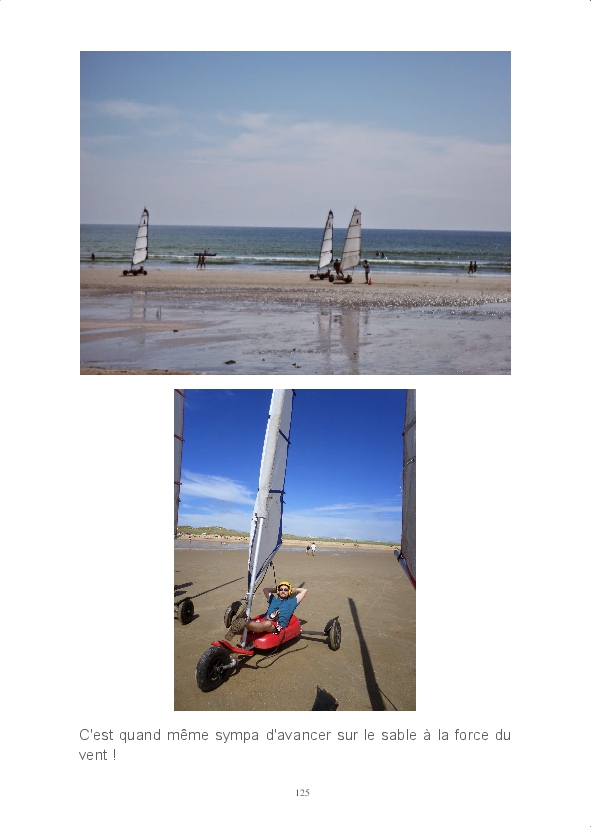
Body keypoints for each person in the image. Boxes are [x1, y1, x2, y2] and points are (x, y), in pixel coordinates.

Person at [225, 581, 307, 640]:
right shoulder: (273, 600)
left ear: (289, 591)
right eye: (281, 589)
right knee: (256, 624)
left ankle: (243, 621)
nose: (283, 591)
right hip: (263, 621)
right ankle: (235, 625)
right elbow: (265, 590)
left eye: (285, 590)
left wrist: (292, 589)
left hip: (277, 625)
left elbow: (304, 590)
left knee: (268, 624)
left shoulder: (292, 602)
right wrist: (277, 589)